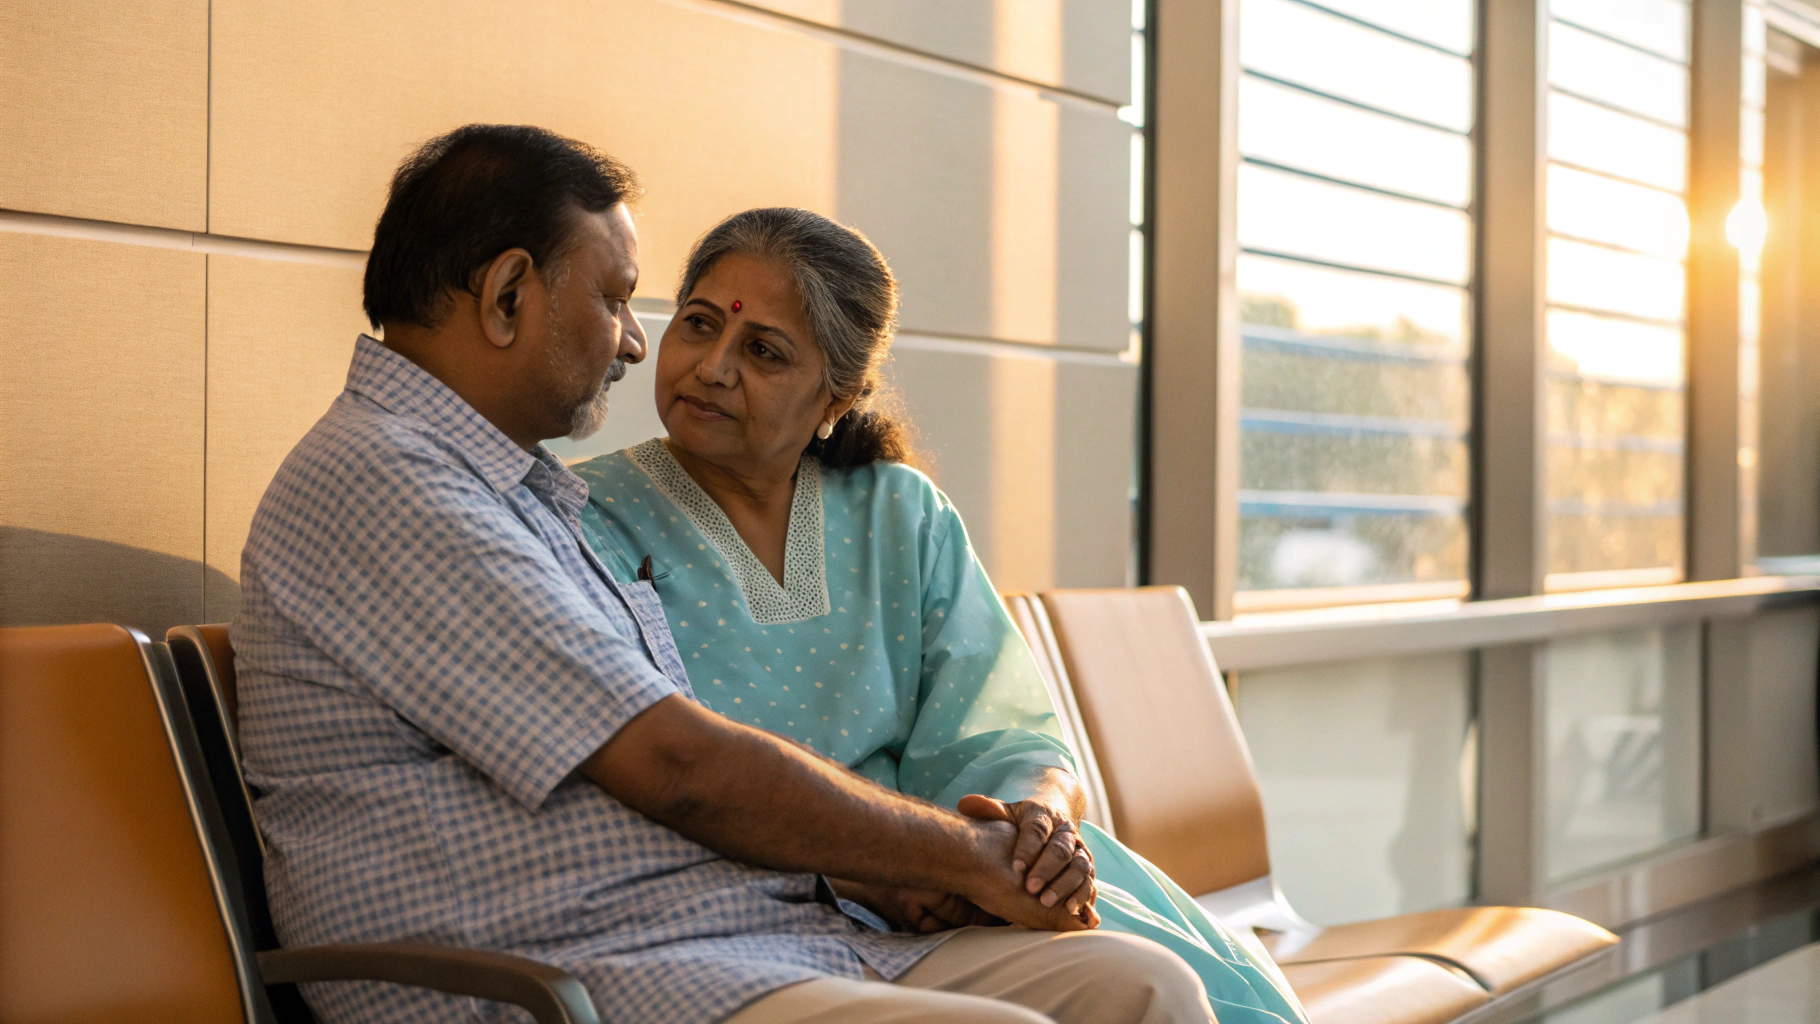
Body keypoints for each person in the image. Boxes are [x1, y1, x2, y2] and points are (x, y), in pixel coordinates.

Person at [234, 124, 1217, 1024]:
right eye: (620, 300)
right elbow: (681, 767)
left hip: (736, 931)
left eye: (759, 349)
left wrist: (893, 875)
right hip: (565, 973)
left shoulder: (508, 490)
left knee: (1141, 988)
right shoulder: (389, 486)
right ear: (507, 297)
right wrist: (963, 856)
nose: (634, 341)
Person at [572, 207, 1309, 1024]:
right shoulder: (584, 513)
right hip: (745, 920)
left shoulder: (898, 510)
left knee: (1154, 982)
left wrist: (1030, 829)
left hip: (959, 903)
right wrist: (890, 873)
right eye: (698, 325)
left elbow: (1007, 733)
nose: (711, 367)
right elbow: (646, 777)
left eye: (763, 351)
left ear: (837, 396)